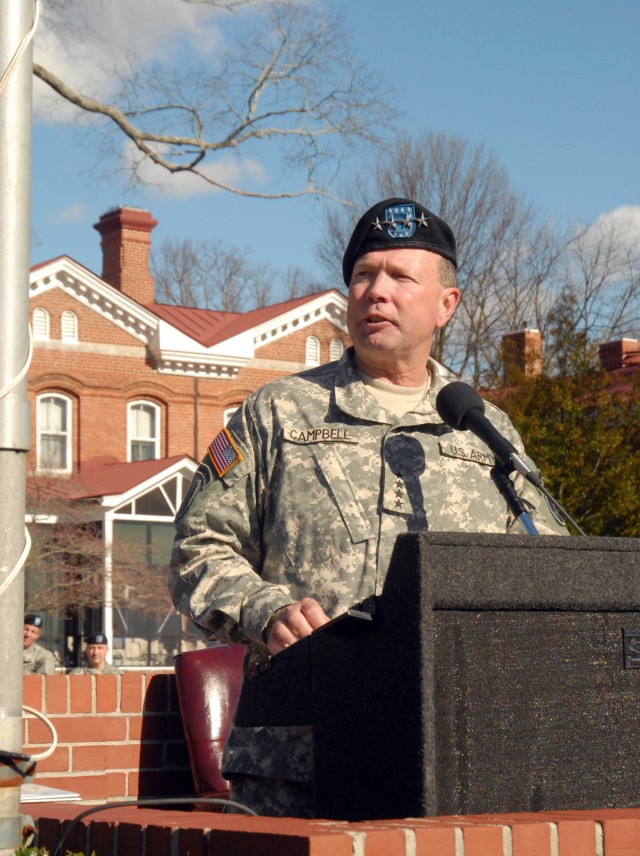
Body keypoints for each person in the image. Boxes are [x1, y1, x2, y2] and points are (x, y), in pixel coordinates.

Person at [169, 197, 569, 816]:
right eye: (363, 274)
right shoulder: (278, 413)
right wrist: (262, 607)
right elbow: (197, 550)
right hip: (301, 760)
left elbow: (549, 576)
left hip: (457, 755)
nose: (375, 292)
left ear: (446, 305)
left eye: (400, 277)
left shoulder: (486, 431)